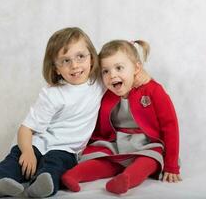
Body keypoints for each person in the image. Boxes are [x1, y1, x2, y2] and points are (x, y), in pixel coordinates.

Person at [0, 28, 150, 198]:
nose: (75, 65)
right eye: (65, 60)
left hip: (67, 149)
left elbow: (117, 65)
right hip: (37, 143)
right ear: (56, 68)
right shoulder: (53, 94)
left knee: (56, 165)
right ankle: (0, 181)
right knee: (16, 160)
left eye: (80, 56)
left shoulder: (99, 82)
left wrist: (140, 74)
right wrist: (27, 151)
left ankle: (42, 185)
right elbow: (26, 129)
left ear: (92, 58)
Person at [62, 40, 182, 195]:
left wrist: (171, 164)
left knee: (149, 160)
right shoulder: (104, 93)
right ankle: (73, 175)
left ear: (137, 68)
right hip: (115, 143)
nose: (112, 75)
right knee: (103, 161)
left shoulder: (153, 90)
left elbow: (170, 126)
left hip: (146, 144)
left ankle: (126, 179)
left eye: (119, 68)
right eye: (105, 71)